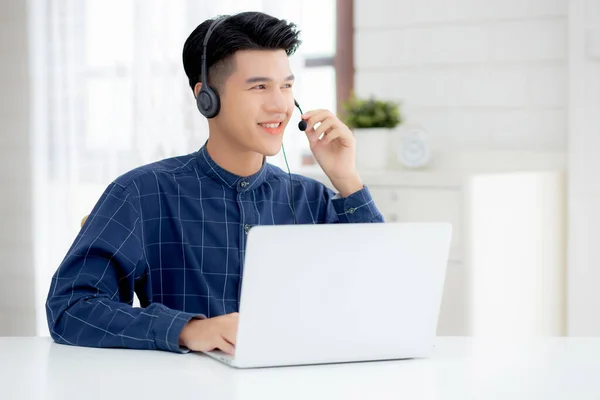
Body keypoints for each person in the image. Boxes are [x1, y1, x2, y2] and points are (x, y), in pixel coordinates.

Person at [45, 11, 384, 355]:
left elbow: (385, 296)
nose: (280, 104)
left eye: (286, 86)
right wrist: (187, 330)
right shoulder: (142, 193)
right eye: (260, 86)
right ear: (206, 97)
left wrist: (346, 179)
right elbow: (70, 309)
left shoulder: (312, 199)